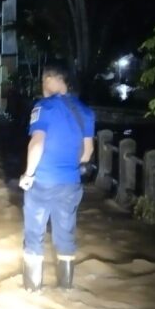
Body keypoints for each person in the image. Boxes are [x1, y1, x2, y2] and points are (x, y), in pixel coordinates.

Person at [18, 63, 95, 291]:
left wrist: (28, 174)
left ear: (55, 79)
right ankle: (65, 290)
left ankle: (32, 291)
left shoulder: (44, 107)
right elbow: (87, 152)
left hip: (42, 181)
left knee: (34, 235)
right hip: (71, 184)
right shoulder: (86, 112)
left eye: (45, 81)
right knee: (66, 236)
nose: (43, 86)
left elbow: (37, 143)